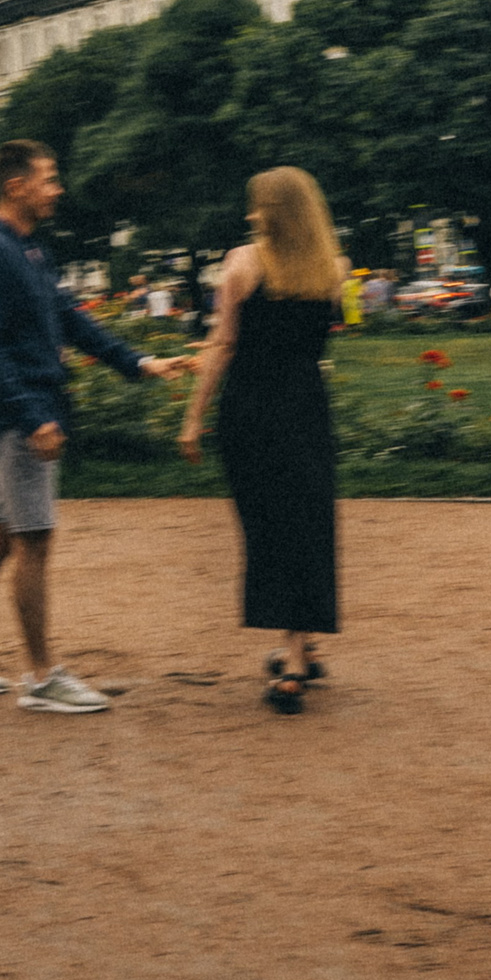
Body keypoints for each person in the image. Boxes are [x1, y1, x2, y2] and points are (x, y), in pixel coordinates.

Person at [0, 139, 186, 714]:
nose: (57, 188)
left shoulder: (28, 249)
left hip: (27, 411)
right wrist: (33, 416)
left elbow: (68, 318)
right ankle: (42, 678)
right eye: (49, 178)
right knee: (33, 542)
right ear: (17, 186)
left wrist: (137, 362)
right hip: (21, 417)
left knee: (0, 542)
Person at [179, 167, 345, 716]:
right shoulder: (332, 268)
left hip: (251, 408)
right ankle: (303, 641)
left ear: (271, 209)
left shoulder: (244, 262)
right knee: (307, 521)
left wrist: (192, 417)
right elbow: (319, 344)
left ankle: (294, 664)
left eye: (256, 204)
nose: (250, 212)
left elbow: (223, 345)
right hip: (306, 406)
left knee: (268, 529)